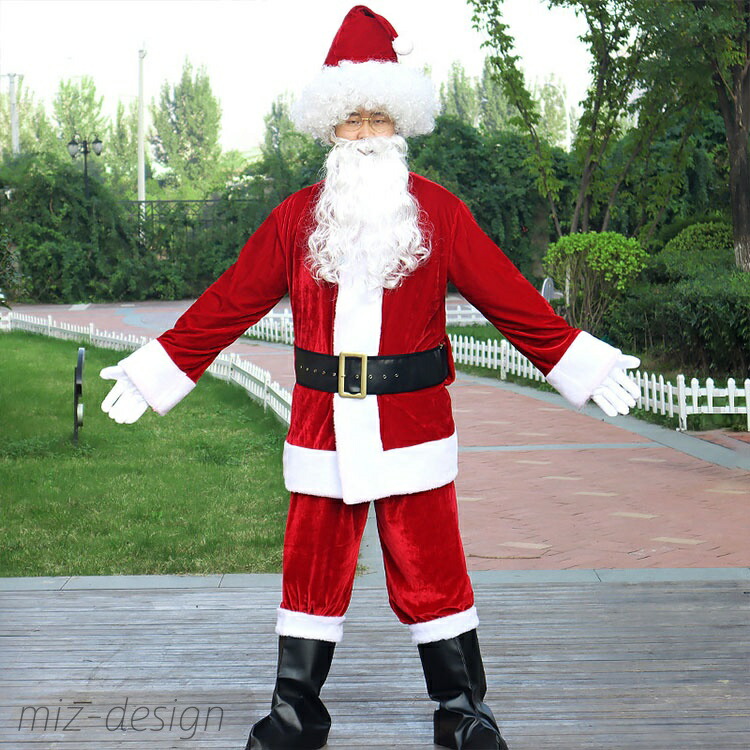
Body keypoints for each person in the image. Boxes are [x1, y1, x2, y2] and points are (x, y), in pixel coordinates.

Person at [100, 6, 640, 750]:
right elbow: (228, 302)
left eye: (376, 118)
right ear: (330, 129)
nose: (363, 133)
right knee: (311, 570)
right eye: (350, 120)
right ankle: (295, 712)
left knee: (433, 567)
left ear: (399, 124)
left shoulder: (439, 213)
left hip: (413, 424)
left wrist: (582, 360)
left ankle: (462, 709)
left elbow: (509, 297)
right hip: (321, 423)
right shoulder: (295, 219)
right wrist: (157, 369)